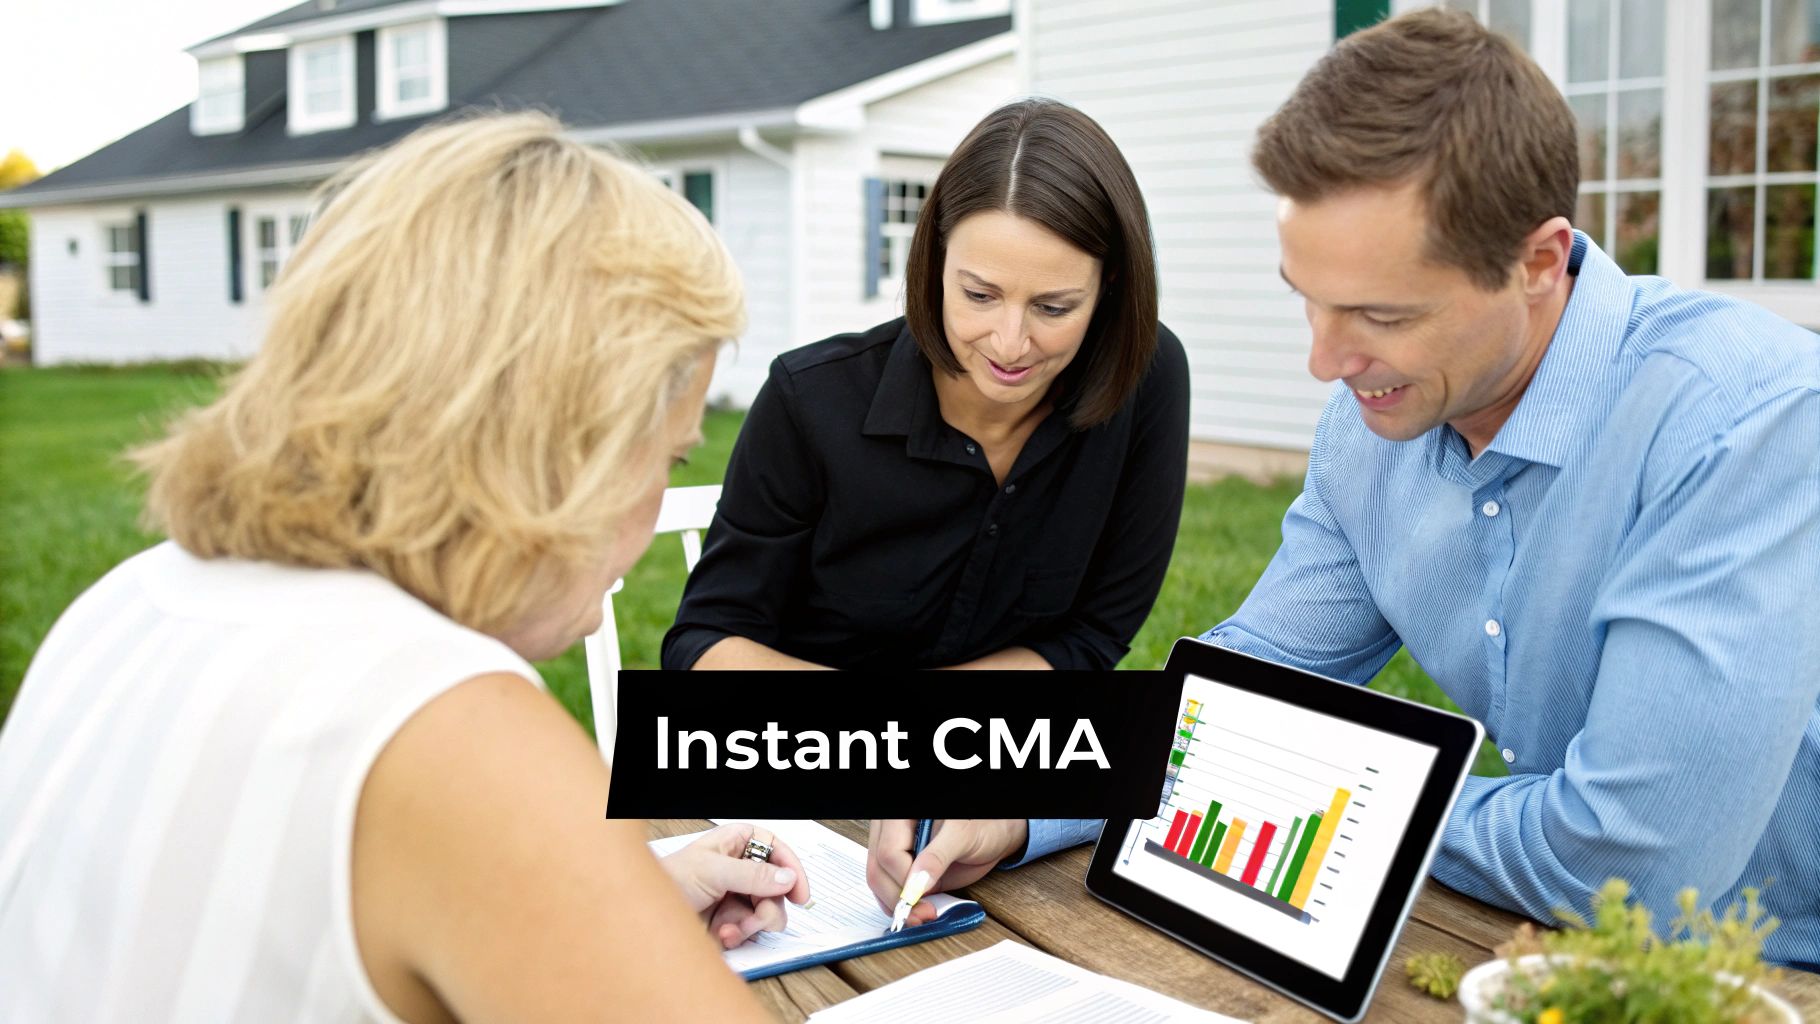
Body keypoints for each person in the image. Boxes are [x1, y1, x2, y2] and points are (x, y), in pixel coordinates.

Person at [0, 113, 811, 1020]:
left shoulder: (126, 602)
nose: (658, 493)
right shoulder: (451, 723)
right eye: (668, 457)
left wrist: (619, 910)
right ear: (572, 449)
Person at [1195, 10, 1818, 968]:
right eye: (1307, 297)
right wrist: (1030, 799)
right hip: (1573, 955)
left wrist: (1339, 794)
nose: (1325, 359)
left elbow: (1628, 860)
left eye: (1381, 314)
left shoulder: (1746, 419)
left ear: (1537, 262)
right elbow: (1243, 692)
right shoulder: (1373, 430)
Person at [659, 98, 1191, 918]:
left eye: (1054, 308)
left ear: (1111, 286)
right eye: (978, 294)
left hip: (990, 779)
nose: (1010, 343)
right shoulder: (811, 400)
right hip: (791, 784)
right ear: (933, 258)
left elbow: (1092, 637)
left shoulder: (1148, 383)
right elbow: (702, 646)